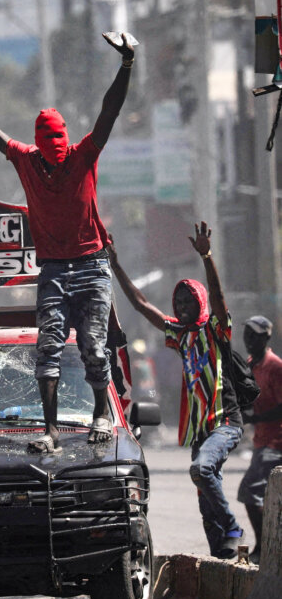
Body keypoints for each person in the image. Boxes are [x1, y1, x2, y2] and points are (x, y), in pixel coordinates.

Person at [0, 33, 135, 453]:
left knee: (94, 348)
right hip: (52, 269)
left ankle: (101, 412)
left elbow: (109, 110)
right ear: (39, 148)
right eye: (50, 153)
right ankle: (50, 431)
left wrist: (126, 65)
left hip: (91, 265)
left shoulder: (83, 155)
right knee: (47, 348)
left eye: (59, 151)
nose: (56, 159)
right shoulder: (26, 159)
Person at [107, 222, 246, 559]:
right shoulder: (179, 335)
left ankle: (233, 527)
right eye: (178, 301)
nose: (182, 306)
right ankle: (223, 555)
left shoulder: (216, 329)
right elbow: (141, 305)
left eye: (188, 301)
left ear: (199, 302)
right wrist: (114, 265)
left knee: (201, 470)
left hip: (225, 423)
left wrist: (207, 257)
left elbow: (217, 297)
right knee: (203, 497)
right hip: (201, 430)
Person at [237, 315, 282, 564]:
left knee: (250, 492)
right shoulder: (251, 364)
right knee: (264, 497)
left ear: (266, 337)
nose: (249, 340)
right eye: (247, 335)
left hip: (276, 443)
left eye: (255, 335)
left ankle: (265, 549)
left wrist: (255, 418)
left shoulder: (276, 367)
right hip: (261, 442)